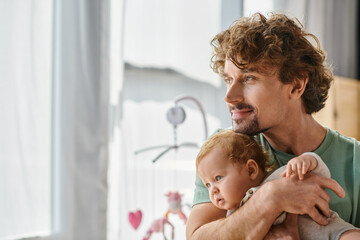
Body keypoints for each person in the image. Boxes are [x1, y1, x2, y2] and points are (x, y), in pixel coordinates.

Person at [186, 12, 360, 240]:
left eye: (249, 78)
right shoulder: (224, 153)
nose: (229, 96)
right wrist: (271, 197)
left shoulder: (355, 162)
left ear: (296, 85)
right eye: (229, 80)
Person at [196, 130, 360, 240]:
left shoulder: (279, 177)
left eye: (218, 178)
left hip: (332, 231)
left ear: (251, 170)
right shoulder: (231, 219)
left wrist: (307, 161)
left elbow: (319, 174)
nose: (213, 191)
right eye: (208, 184)